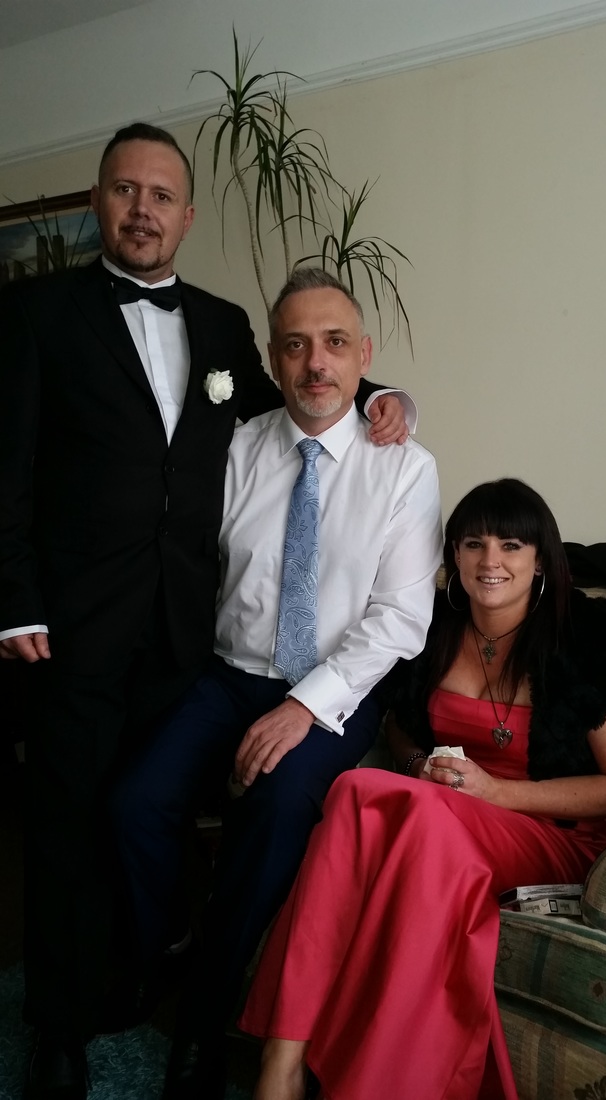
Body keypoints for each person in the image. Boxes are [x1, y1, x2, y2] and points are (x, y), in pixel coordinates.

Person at [0, 123, 411, 1100]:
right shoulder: (34, 314)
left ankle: (143, 966)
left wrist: (385, 394)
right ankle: (59, 1024)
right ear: (99, 202)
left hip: (187, 636)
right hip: (71, 628)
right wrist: (12, 599)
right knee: (64, 823)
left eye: (160, 195)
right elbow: (4, 464)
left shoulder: (225, 326)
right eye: (125, 190)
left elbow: (303, 393)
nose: (142, 209)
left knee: (147, 811)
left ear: (186, 216)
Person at [109, 266, 443, 1098]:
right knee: (134, 805)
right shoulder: (238, 446)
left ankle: (205, 1023)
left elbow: (400, 619)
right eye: (295, 345)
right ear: (272, 355)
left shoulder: (405, 468)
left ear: (364, 354)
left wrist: (304, 706)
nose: (315, 363)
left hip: (336, 691)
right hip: (228, 676)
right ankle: (172, 939)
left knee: (272, 813)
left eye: (334, 344)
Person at [239, 478, 606, 1100]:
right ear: (453, 556)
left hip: (553, 836)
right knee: (357, 789)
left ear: (540, 561)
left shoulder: (581, 638)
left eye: (511, 546)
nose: (490, 561)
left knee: (412, 816)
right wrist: (418, 765)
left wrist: (496, 793)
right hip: (444, 816)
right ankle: (282, 1062)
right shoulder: (434, 628)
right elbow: (401, 726)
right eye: (473, 544)